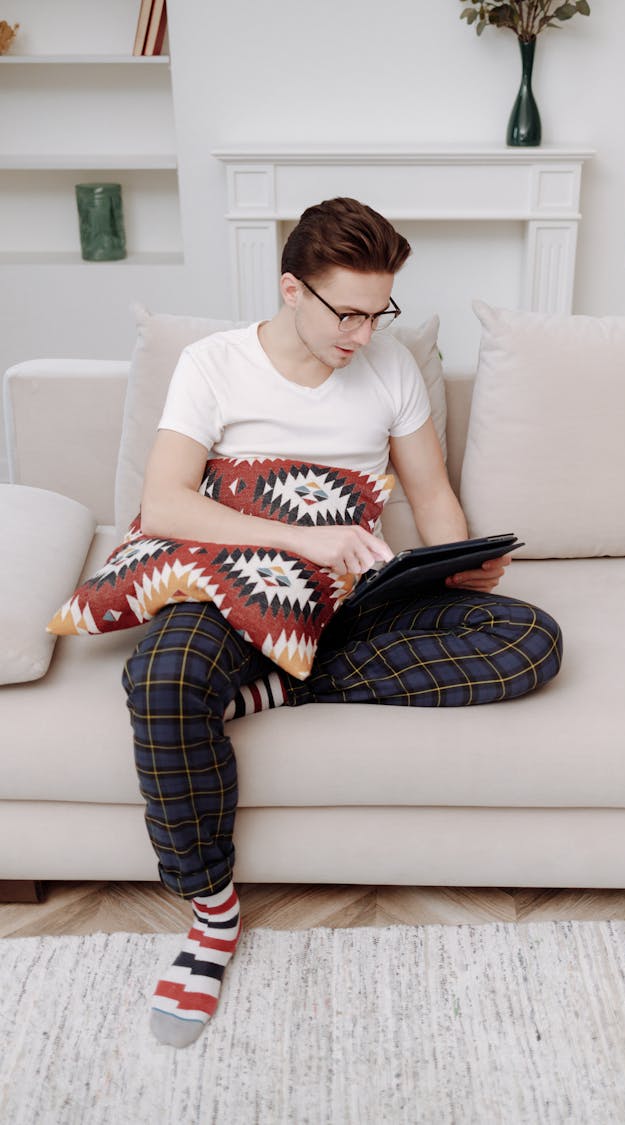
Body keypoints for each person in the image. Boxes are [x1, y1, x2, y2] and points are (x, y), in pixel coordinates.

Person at [122, 196, 563, 1048]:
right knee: (161, 678)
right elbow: (164, 502)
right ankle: (212, 914)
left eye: (378, 310)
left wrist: (458, 564)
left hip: (352, 604)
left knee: (530, 639)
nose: (364, 334)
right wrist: (300, 536)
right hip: (237, 585)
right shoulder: (213, 364)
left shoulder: (391, 367)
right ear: (293, 288)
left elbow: (431, 492)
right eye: (347, 312)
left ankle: (270, 694)